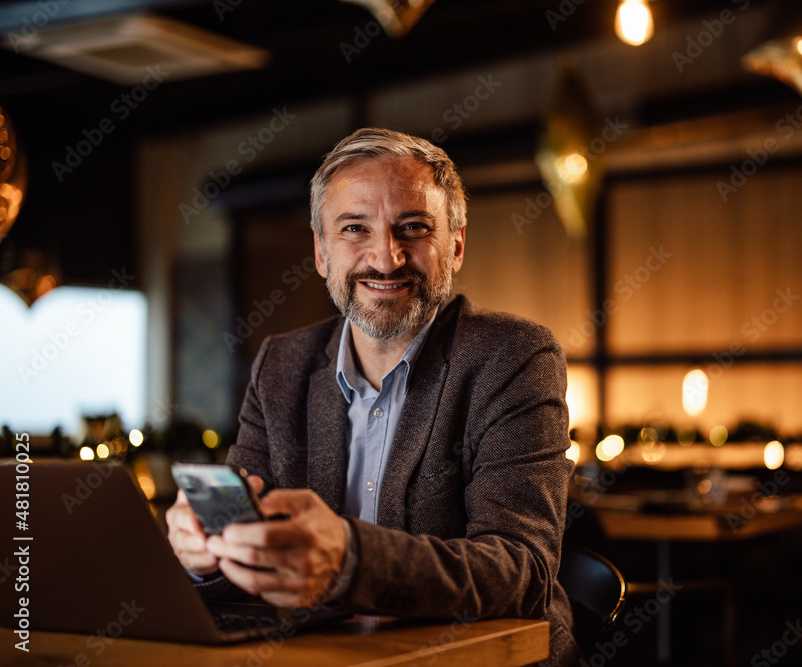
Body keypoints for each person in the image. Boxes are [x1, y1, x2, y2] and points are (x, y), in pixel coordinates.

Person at [166, 128, 580, 665]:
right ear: (321, 251)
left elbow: (521, 571)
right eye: (354, 228)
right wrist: (209, 556)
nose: (386, 258)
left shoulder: (515, 356)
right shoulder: (281, 365)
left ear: (454, 246)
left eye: (414, 228)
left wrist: (349, 559)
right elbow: (247, 557)